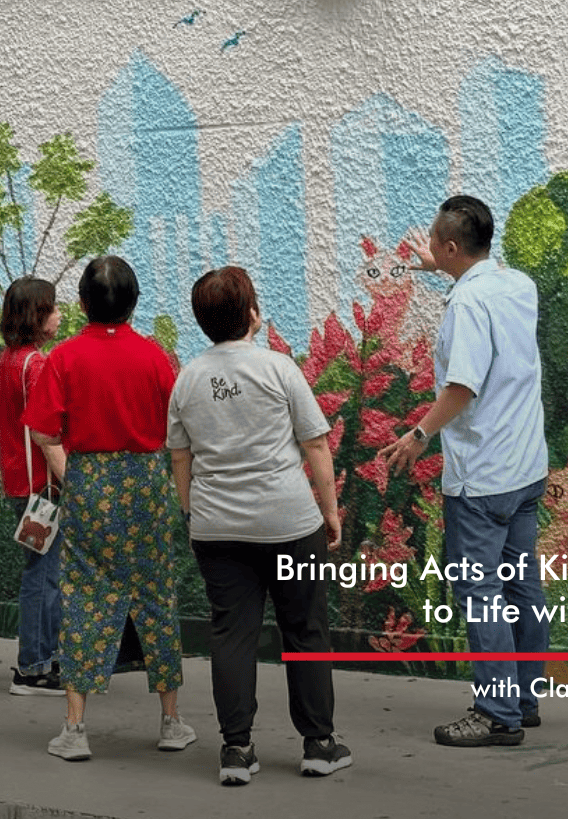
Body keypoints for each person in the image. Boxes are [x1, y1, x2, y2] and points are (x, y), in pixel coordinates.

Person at [167, 266, 351, 785]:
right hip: (290, 523)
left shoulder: (188, 379)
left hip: (216, 528)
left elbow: (180, 457)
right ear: (252, 313)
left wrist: (190, 513)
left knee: (231, 634)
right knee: (306, 630)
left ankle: (236, 750)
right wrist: (330, 513)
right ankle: (318, 745)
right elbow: (315, 443)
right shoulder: (280, 369)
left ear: (202, 322)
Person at [379, 195, 549, 747]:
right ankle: (523, 699)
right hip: (526, 468)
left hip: (483, 477)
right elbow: (478, 283)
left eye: (435, 242)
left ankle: (496, 713)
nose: (428, 246)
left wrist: (419, 434)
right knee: (522, 584)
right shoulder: (517, 284)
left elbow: (462, 387)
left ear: (452, 248)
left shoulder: (467, 307)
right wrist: (443, 267)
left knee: (480, 592)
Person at [24, 255, 196, 761]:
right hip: (147, 484)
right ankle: (170, 721)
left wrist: (71, 471)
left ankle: (75, 730)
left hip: (91, 484)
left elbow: (44, 429)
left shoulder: (65, 358)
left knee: (83, 598)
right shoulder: (154, 357)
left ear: (81, 304)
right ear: (134, 303)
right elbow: (178, 428)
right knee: (156, 596)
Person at [0, 277, 68, 695]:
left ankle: (41, 659)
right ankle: (34, 666)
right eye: (52, 308)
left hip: (21, 482)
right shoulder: (36, 365)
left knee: (40, 572)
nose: (59, 315)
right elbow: (47, 432)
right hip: (41, 488)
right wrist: (67, 480)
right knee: (44, 575)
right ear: (36, 316)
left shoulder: (11, 359)